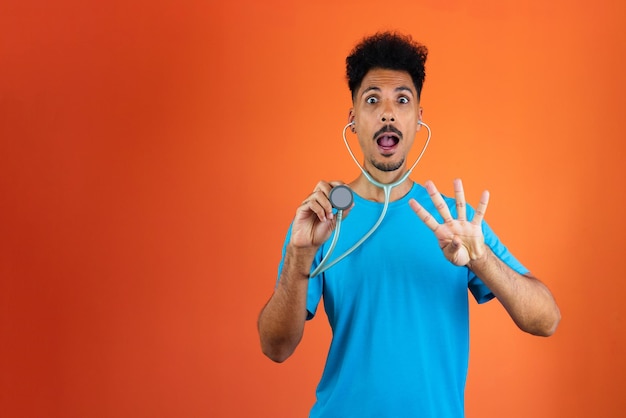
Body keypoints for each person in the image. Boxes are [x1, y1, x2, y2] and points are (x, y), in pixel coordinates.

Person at [257, 31, 560, 418]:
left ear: (418, 120)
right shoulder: (320, 221)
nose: (388, 113)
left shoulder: (454, 222)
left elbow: (546, 320)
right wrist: (299, 257)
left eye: (402, 100)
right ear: (353, 120)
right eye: (372, 100)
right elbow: (275, 347)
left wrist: (479, 259)